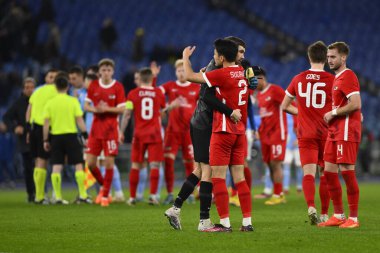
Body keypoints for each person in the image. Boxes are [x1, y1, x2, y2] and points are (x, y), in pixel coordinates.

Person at [164, 36, 247, 232]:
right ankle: (204, 221)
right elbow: (206, 95)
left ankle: (175, 208)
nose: (242, 55)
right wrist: (185, 57)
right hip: (204, 123)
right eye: (241, 52)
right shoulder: (217, 67)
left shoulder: (226, 68)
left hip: (202, 122)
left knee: (200, 170)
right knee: (208, 171)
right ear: (229, 53)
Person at [282, 41, 334, 224]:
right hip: (326, 133)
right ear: (326, 58)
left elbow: (284, 105)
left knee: (308, 174)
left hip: (306, 132)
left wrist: (302, 112)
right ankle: (325, 214)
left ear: (309, 57)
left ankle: (311, 206)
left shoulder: (298, 78)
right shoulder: (333, 80)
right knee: (325, 174)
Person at [318, 42, 362, 228]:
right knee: (328, 172)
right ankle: (338, 214)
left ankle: (353, 218)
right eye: (328, 57)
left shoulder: (348, 75)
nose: (329, 60)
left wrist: (333, 113)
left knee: (347, 173)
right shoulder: (337, 78)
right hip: (334, 131)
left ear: (343, 58)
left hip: (345, 131)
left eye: (333, 57)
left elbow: (356, 103)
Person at [119, 68, 166, 205]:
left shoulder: (133, 94)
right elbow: (163, 111)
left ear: (140, 78)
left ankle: (132, 198)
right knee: (155, 165)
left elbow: (127, 114)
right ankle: (153, 196)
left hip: (139, 134)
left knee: (135, 165)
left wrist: (121, 132)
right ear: (152, 79)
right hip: (155, 134)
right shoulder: (158, 93)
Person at [42, 73, 90, 204]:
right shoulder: (73, 101)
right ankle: (83, 195)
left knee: (57, 166)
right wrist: (86, 136)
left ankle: (57, 197)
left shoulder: (50, 103)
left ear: (55, 87)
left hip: (56, 137)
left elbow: (46, 124)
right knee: (78, 164)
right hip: (71, 136)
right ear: (67, 86)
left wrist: (45, 140)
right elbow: (79, 120)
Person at [84, 58, 126, 207]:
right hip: (95, 131)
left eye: (109, 70)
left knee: (109, 164)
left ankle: (105, 196)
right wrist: (96, 109)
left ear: (112, 71)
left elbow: (122, 109)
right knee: (90, 164)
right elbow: (86, 105)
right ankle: (104, 186)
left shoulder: (118, 87)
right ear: (99, 72)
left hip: (110, 131)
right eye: (103, 70)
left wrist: (106, 108)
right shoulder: (94, 85)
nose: (106, 72)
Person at [158, 59, 200, 205]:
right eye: (179, 70)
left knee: (190, 163)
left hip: (190, 132)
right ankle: (169, 193)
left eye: (183, 70)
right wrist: (169, 106)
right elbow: (154, 94)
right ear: (175, 72)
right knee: (168, 161)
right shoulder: (170, 86)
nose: (181, 73)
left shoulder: (196, 87)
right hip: (172, 131)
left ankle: (191, 193)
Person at [26, 68, 59, 204]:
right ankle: (48, 196)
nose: (52, 79)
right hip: (48, 128)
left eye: (54, 77)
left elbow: (29, 110)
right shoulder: (57, 91)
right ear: (46, 78)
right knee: (50, 162)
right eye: (50, 76)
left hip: (34, 128)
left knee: (38, 162)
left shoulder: (37, 91)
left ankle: (39, 195)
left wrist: (28, 129)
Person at [255, 67, 288, 205]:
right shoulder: (259, 95)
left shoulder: (275, 90)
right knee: (269, 164)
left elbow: (290, 103)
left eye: (253, 80)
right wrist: (259, 130)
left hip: (277, 133)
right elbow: (264, 116)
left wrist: (298, 124)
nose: (252, 84)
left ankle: (278, 194)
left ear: (261, 77)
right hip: (265, 134)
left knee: (276, 163)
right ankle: (277, 192)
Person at [3, 77, 36, 202]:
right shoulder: (18, 103)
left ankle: (41, 192)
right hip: (24, 140)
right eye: (27, 87)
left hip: (38, 137)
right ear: (23, 89)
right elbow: (6, 118)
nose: (29, 90)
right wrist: (15, 127)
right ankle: (31, 194)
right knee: (28, 168)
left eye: (32, 87)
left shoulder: (39, 100)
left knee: (39, 167)